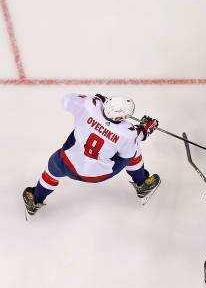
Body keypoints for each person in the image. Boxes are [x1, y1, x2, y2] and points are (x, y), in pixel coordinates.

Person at [22, 93, 160, 219]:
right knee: (132, 150)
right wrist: (144, 130)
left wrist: (97, 99)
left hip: (69, 164)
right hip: (98, 174)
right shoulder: (128, 133)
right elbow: (130, 148)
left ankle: (35, 199)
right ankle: (142, 184)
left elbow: (66, 100)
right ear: (121, 117)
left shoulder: (89, 106)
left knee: (53, 167)